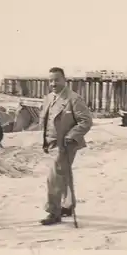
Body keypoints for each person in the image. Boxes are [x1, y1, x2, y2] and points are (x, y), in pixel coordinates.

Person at [38, 67, 93, 226]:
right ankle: (68, 206)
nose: (53, 83)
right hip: (52, 142)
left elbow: (86, 121)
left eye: (57, 79)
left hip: (66, 144)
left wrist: (71, 136)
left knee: (54, 177)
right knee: (64, 174)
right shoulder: (48, 98)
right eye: (51, 80)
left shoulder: (73, 99)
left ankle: (53, 212)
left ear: (64, 80)